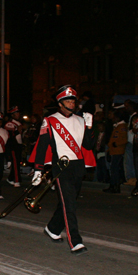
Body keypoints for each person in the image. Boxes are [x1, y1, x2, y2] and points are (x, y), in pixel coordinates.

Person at [30, 85, 95, 254]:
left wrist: (89, 126)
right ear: (60, 103)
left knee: (68, 202)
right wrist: (38, 170)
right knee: (70, 205)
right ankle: (75, 241)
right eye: (67, 100)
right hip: (61, 166)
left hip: (78, 166)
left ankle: (52, 228)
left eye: (73, 100)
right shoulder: (50, 120)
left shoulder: (80, 120)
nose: (71, 104)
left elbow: (88, 145)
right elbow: (42, 146)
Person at [104, 111, 127, 193]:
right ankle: (113, 185)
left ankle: (115, 186)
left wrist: (115, 144)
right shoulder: (117, 126)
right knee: (113, 169)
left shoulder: (122, 127)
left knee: (114, 169)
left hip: (118, 151)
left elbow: (124, 139)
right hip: (114, 151)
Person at [4, 106, 23, 187]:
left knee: (17, 163)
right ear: (12, 115)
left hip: (18, 145)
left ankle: (11, 178)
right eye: (16, 113)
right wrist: (17, 130)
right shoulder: (10, 123)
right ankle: (16, 180)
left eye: (18, 113)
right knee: (15, 163)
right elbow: (10, 136)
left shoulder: (19, 123)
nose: (18, 114)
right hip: (13, 146)